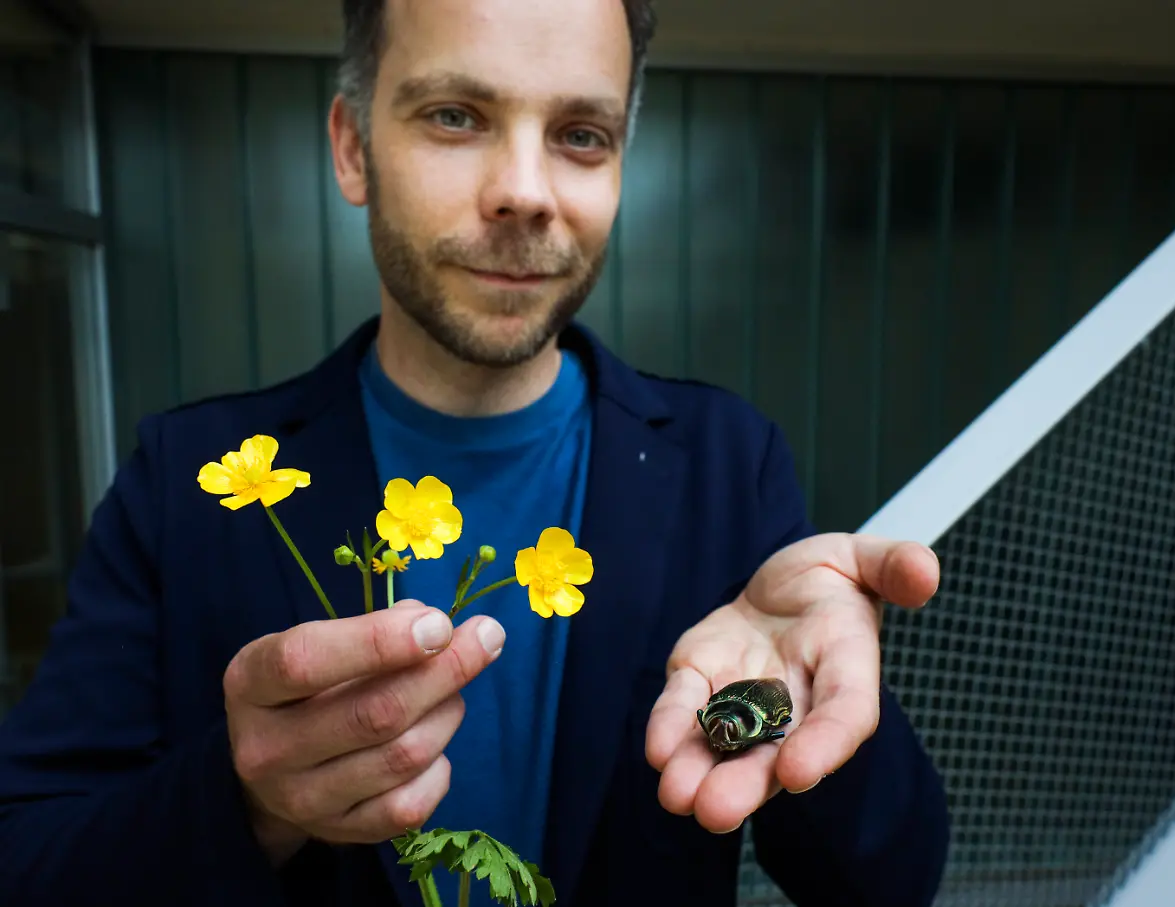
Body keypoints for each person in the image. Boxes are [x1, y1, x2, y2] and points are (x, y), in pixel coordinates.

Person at [0, 0, 950, 904]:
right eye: (455, 116)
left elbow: (884, 885)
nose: (524, 193)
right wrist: (249, 800)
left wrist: (830, 703)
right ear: (353, 147)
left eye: (582, 134)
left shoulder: (727, 464)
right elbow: (28, 856)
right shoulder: (188, 479)